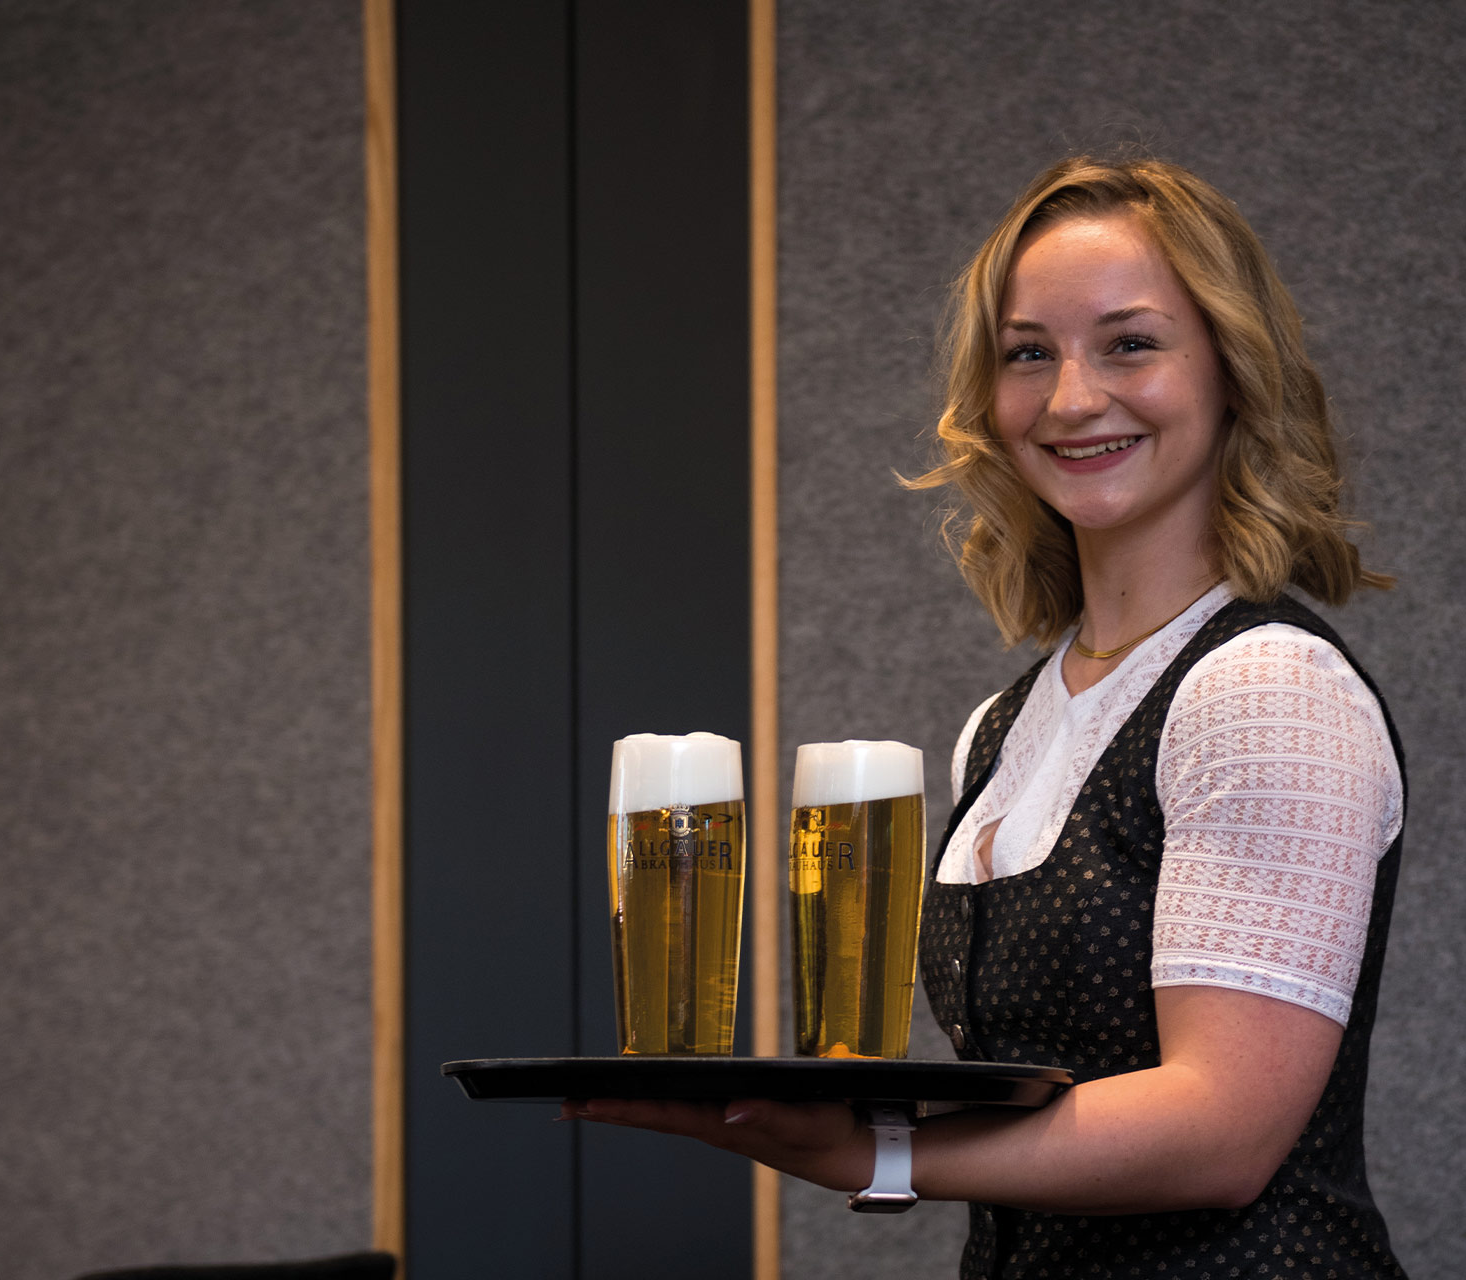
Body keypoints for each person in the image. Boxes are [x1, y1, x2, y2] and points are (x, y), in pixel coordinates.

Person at [565, 154, 1410, 1279]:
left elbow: (1225, 1131)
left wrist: (884, 1151)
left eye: (1129, 342)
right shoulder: (1002, 728)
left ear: (1231, 368)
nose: (1070, 397)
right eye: (1028, 354)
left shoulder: (1264, 688)